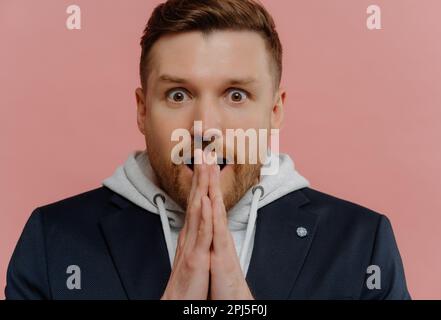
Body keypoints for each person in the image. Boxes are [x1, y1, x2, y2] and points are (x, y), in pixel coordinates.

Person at [5, 0, 410, 300]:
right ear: (143, 110)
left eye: (236, 95)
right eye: (178, 94)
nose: (205, 129)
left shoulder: (361, 243)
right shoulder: (53, 240)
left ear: (275, 111)